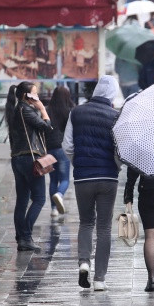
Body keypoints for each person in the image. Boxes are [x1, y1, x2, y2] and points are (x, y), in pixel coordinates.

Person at [63, 76, 121, 291]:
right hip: (108, 178)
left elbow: (67, 145)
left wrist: (78, 163)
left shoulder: (76, 112)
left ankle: (84, 262)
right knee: (104, 228)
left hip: (83, 178)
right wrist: (116, 166)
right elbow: (119, 151)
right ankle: (99, 279)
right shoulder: (116, 116)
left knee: (86, 222)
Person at [6, 81, 54, 251]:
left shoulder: (16, 110)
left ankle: (21, 238)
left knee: (22, 200)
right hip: (29, 159)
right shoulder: (25, 109)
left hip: (17, 158)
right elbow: (46, 127)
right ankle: (25, 237)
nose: (38, 97)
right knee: (39, 199)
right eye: (35, 94)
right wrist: (43, 110)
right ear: (26, 96)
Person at [46, 86, 74, 218]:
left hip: (49, 149)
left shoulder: (47, 111)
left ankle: (53, 209)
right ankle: (60, 194)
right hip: (63, 149)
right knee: (64, 179)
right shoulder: (69, 111)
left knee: (53, 180)